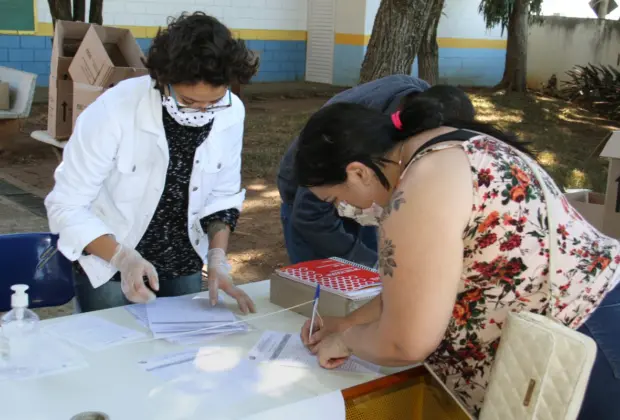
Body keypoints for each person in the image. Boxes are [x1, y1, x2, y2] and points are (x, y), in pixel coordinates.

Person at [294, 94, 620, 418]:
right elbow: (419, 287)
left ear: (358, 173)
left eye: (336, 198)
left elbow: (405, 342)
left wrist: (348, 341)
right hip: (596, 318)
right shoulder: (448, 145)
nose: (346, 210)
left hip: (578, 346)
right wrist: (349, 322)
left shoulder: (417, 193)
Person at [45, 12, 259, 314]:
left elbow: (222, 196)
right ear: (162, 80)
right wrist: (123, 258)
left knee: (179, 351)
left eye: (212, 101)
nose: (201, 110)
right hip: (110, 263)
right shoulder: (113, 111)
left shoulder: (231, 111)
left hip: (183, 260)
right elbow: (65, 205)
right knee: (114, 351)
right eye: (188, 100)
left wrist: (217, 258)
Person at [277, 75, 476, 267]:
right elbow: (309, 212)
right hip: (310, 203)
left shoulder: (426, 115)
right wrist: (372, 265)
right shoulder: (354, 141)